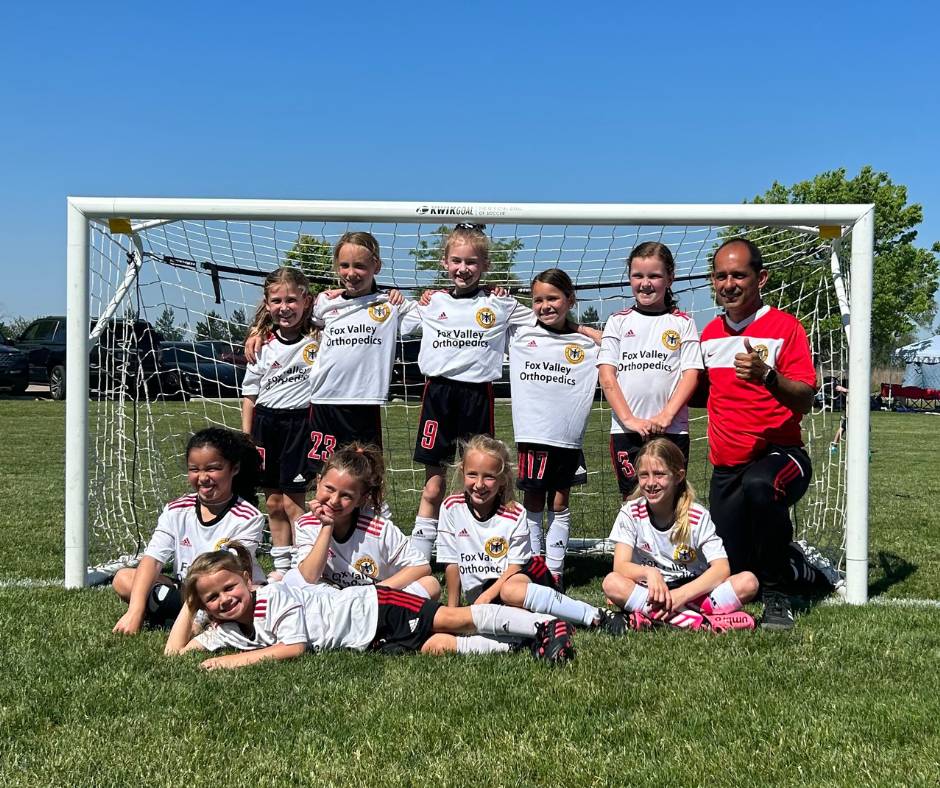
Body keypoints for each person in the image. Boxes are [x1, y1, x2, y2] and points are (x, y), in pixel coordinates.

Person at [164, 541, 576, 667]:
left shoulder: (271, 599)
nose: (223, 600)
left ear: (247, 582)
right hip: (369, 639)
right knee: (437, 647)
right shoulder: (226, 630)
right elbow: (176, 653)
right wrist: (190, 604)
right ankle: (522, 646)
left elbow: (293, 648)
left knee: (451, 619)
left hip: (372, 607)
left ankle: (542, 625)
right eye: (212, 598)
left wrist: (229, 663)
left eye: (228, 588)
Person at [700, 237, 832, 631]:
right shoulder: (708, 334)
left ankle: (780, 594)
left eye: (739, 275)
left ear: (761, 278)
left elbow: (806, 398)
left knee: (762, 485)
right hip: (727, 469)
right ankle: (796, 569)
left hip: (781, 456)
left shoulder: (785, 328)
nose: (729, 284)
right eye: (721, 275)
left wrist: (768, 376)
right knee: (739, 574)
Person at [400, 224, 538, 561]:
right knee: (434, 484)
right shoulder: (433, 302)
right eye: (457, 261)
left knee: (482, 480)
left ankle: (483, 549)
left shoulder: (499, 303)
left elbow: (541, 319)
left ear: (486, 265)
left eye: (472, 262)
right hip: (438, 396)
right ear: (445, 262)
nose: (464, 269)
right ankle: (420, 557)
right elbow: (398, 322)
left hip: (478, 397)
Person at [245, 233, 410, 473]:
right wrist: (258, 330)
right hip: (324, 403)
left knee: (367, 473)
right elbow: (287, 313)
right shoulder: (325, 302)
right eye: (344, 265)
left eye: (360, 265)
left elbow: (431, 315)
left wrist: (417, 295)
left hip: (364, 401)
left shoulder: (390, 304)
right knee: (323, 473)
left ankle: (375, 512)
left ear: (377, 266)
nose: (350, 273)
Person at [436, 435, 630, 635]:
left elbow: (515, 567)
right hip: (485, 596)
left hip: (520, 580)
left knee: (510, 592)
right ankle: (550, 625)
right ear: (462, 472)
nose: (479, 484)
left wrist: (487, 597)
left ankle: (595, 615)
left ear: (502, 479)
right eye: (472, 474)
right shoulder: (451, 508)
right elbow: (452, 562)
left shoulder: (515, 513)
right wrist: (453, 613)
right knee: (501, 624)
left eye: (489, 477)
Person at [111, 427, 265, 634]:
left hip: (227, 594)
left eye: (212, 468)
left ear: (234, 468)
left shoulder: (248, 517)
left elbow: (227, 575)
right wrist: (135, 611)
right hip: (190, 591)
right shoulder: (176, 509)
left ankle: (183, 617)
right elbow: (154, 559)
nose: (202, 477)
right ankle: (182, 616)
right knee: (123, 578)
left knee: (247, 603)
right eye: (195, 469)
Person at [602, 439, 758, 631]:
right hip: (651, 591)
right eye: (644, 475)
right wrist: (649, 572)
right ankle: (701, 622)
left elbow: (721, 568)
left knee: (748, 582)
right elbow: (620, 566)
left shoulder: (697, 515)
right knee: (612, 583)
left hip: (693, 590)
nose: (651, 483)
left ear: (678, 476)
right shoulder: (630, 513)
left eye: (659, 475)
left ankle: (656, 616)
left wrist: (681, 596)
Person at [507, 269, 601, 584]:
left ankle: (556, 570)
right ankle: (534, 570)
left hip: (567, 439)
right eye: (538, 299)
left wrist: (579, 327)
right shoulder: (520, 333)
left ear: (570, 300)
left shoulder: (584, 342)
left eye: (553, 298)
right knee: (532, 501)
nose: (545, 305)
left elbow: (612, 346)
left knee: (560, 502)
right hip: (533, 435)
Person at [597, 241, 703, 500]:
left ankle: (671, 542)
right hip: (626, 431)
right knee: (634, 500)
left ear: (670, 278)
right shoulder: (618, 321)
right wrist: (630, 420)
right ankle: (633, 543)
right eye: (638, 276)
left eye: (654, 276)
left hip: (672, 429)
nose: (645, 283)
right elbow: (607, 375)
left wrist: (667, 415)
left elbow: (691, 374)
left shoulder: (683, 323)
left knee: (671, 500)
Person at [241, 267, 319, 581]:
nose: (284, 307)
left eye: (291, 300)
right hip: (266, 425)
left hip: (301, 424)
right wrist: (247, 437)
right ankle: (281, 565)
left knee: (294, 501)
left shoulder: (319, 336)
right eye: (277, 300)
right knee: (273, 502)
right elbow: (250, 394)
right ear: (267, 303)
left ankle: (305, 565)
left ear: (306, 301)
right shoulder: (261, 345)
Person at [287, 443, 440, 600]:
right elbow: (308, 577)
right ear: (318, 481)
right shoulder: (306, 523)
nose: (334, 501)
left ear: (361, 499)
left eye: (346, 495)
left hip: (374, 601)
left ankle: (385, 621)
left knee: (430, 584)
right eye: (329, 488)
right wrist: (327, 526)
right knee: (290, 579)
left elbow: (421, 567)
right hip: (332, 600)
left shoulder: (378, 529)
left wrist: (372, 593)